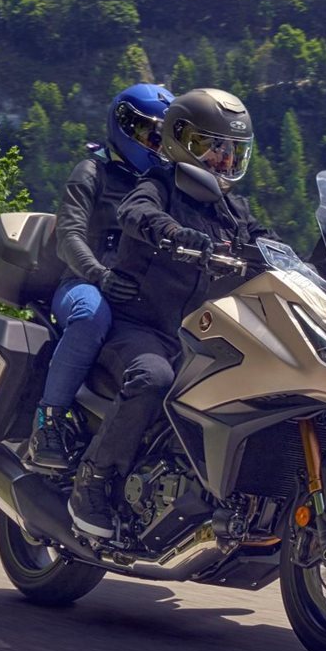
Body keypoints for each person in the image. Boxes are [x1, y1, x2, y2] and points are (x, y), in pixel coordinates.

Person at [67, 87, 269, 538]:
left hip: (195, 334)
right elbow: (135, 213)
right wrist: (173, 232)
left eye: (232, 150)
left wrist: (309, 267)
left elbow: (265, 240)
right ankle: (92, 483)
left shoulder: (230, 209)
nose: (223, 159)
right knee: (153, 378)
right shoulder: (159, 184)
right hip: (137, 326)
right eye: (213, 146)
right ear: (181, 141)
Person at [23, 83, 173, 469]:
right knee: (91, 315)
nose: (155, 144)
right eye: (149, 134)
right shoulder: (92, 171)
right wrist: (99, 275)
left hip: (137, 294)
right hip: (82, 284)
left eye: (162, 137)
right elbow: (69, 237)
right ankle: (48, 422)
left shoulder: (164, 187)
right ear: (124, 127)